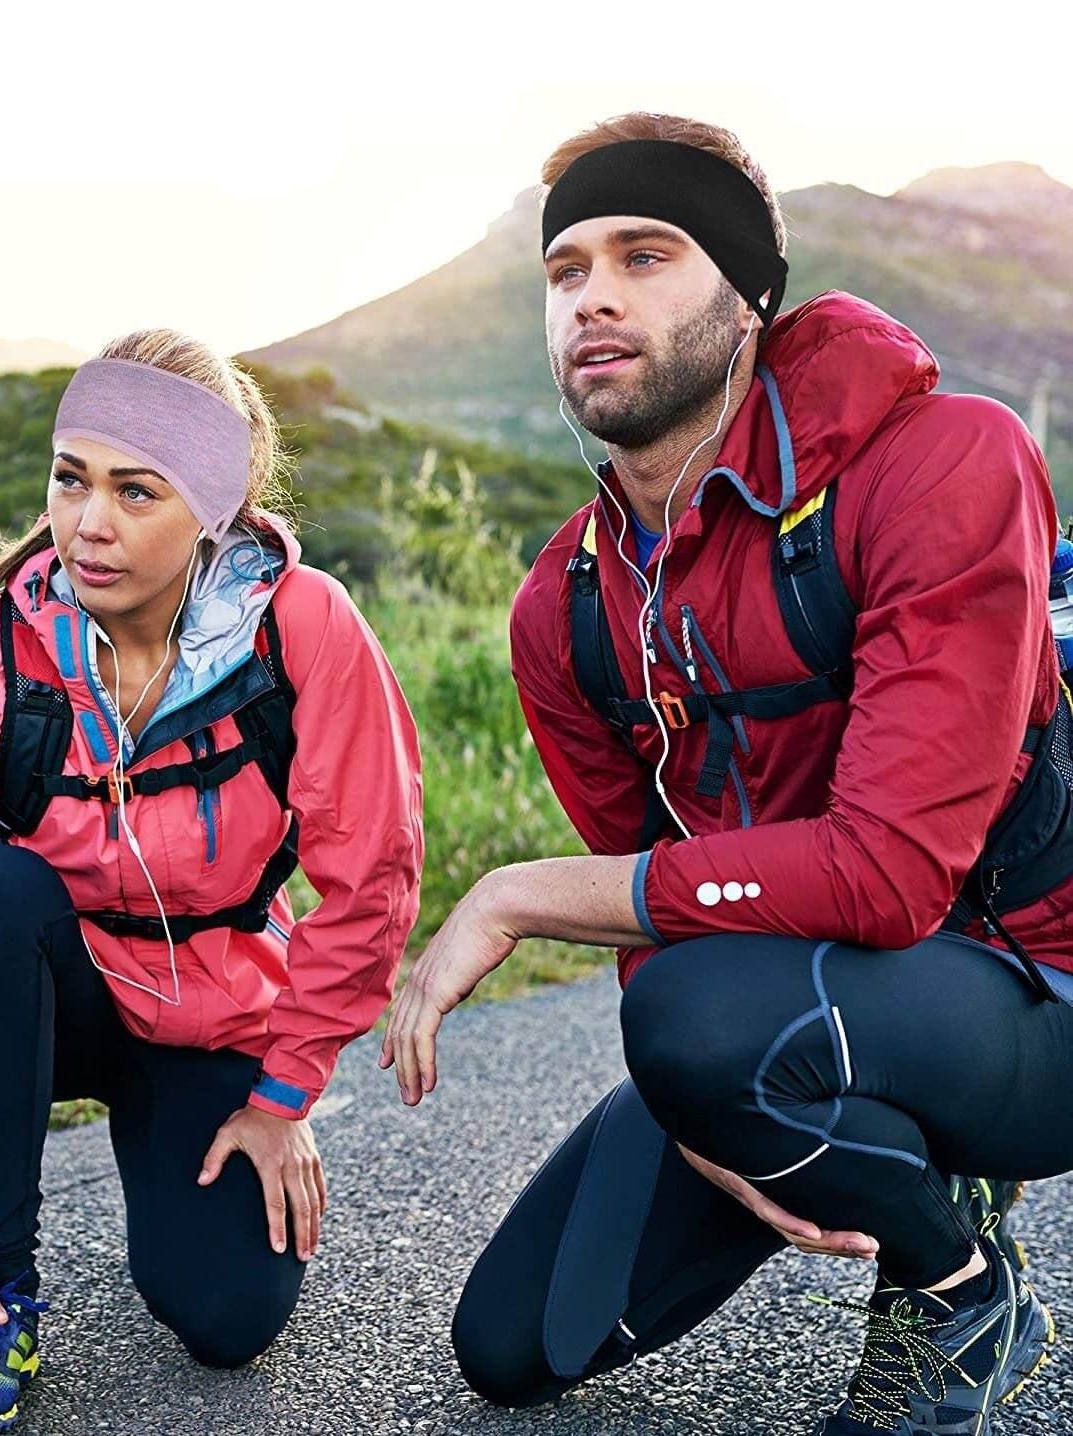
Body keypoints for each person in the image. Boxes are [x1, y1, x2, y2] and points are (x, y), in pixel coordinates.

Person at [380, 112, 1073, 1434]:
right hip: (774, 1002)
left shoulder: (947, 462)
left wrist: (517, 896)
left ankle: (963, 1288)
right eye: (566, 268)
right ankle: (800, 1103)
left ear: (751, 298)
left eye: (646, 255)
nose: (594, 296)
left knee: (706, 1020)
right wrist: (703, 1100)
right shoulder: (565, 609)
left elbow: (879, 878)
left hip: (1032, 982)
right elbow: (655, 900)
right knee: (514, 1345)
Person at [0, 329, 424, 1431]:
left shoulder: (302, 629)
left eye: (135, 490)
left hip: (215, 1010)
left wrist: (283, 1092)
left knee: (230, 1316)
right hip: (45, 992)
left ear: (209, 506)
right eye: (71, 479)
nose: (89, 522)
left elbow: (372, 881)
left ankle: (184, 1157)